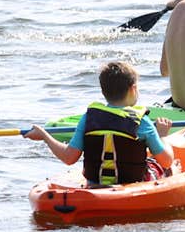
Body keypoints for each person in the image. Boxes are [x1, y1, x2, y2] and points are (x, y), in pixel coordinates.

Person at [27, 61, 174, 185]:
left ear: (103, 91)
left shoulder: (88, 119)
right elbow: (166, 161)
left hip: (95, 184)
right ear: (133, 89)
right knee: (172, 166)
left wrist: (45, 136)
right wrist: (162, 136)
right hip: (133, 184)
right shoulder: (143, 122)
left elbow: (69, 158)